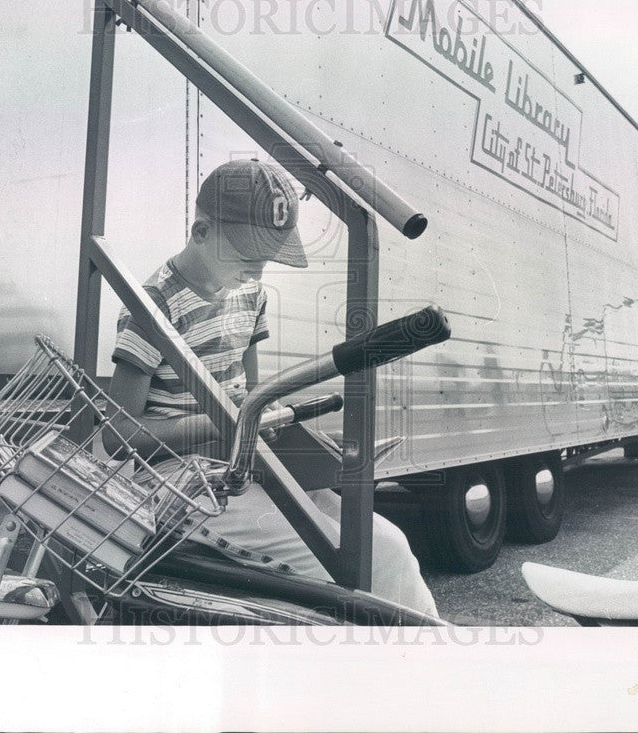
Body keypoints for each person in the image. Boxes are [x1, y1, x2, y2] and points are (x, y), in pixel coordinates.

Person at [105, 158, 439, 617]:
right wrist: (230, 423)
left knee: (392, 547)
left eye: (267, 260)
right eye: (248, 258)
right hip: (179, 485)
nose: (258, 273)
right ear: (201, 233)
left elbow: (253, 394)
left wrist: (291, 435)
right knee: (356, 563)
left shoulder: (249, 296)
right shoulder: (153, 307)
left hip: (242, 465)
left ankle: (429, 668)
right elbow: (119, 437)